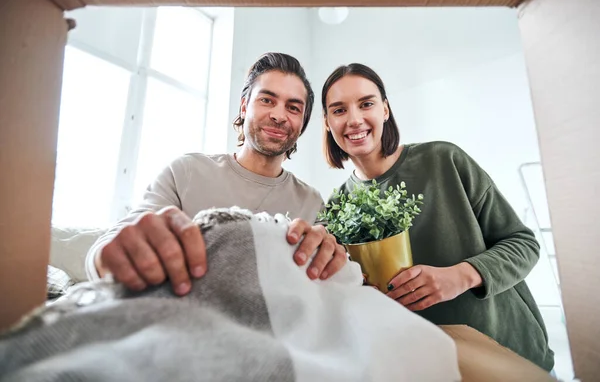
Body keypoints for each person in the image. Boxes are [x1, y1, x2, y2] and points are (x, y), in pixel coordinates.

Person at [320, 63, 555, 371]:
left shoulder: (445, 160)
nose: (354, 119)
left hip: (512, 355)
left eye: (366, 104)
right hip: (428, 367)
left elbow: (523, 244)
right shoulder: (337, 207)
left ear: (386, 110)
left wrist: (461, 275)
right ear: (326, 122)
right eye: (339, 110)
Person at [85, 52, 347, 296]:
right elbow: (110, 247)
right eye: (267, 100)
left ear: (302, 123)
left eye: (293, 107)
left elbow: (328, 280)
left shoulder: (312, 203)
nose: (279, 115)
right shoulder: (185, 172)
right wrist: (107, 259)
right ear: (244, 107)